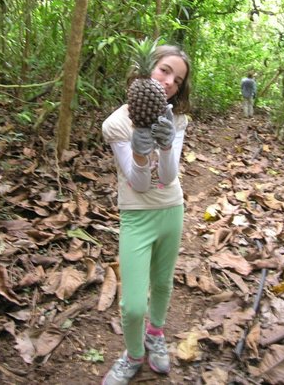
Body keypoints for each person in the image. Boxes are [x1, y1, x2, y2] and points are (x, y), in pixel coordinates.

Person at [101, 44, 191, 385]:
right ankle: (133, 355)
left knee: (163, 283)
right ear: (148, 69)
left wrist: (166, 144)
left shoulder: (177, 119)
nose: (169, 82)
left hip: (171, 208)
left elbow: (168, 177)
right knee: (133, 304)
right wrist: (140, 153)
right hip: (137, 215)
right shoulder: (116, 123)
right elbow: (138, 183)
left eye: (178, 79)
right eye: (165, 70)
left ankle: (155, 334)